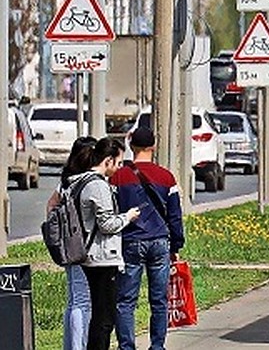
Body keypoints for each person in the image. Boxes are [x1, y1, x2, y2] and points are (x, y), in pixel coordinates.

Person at [111, 127, 185, 350]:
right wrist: (176, 244)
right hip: (160, 242)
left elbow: (113, 211)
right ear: (153, 147)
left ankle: (127, 347)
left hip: (130, 241)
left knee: (125, 301)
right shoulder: (166, 177)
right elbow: (174, 215)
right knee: (159, 300)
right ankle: (157, 346)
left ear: (131, 146)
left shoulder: (118, 176)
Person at [77, 137, 140, 350]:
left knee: (100, 315)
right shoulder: (97, 185)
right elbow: (106, 224)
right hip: (101, 258)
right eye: (119, 162)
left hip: (92, 255)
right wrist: (127, 217)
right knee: (104, 319)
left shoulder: (81, 180)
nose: (120, 167)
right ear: (108, 160)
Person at [45, 136, 98, 350]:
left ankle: (70, 345)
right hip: (82, 246)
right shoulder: (87, 181)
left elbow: (51, 206)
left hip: (68, 244)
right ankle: (78, 347)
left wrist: (56, 236)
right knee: (82, 300)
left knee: (74, 298)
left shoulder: (66, 181)